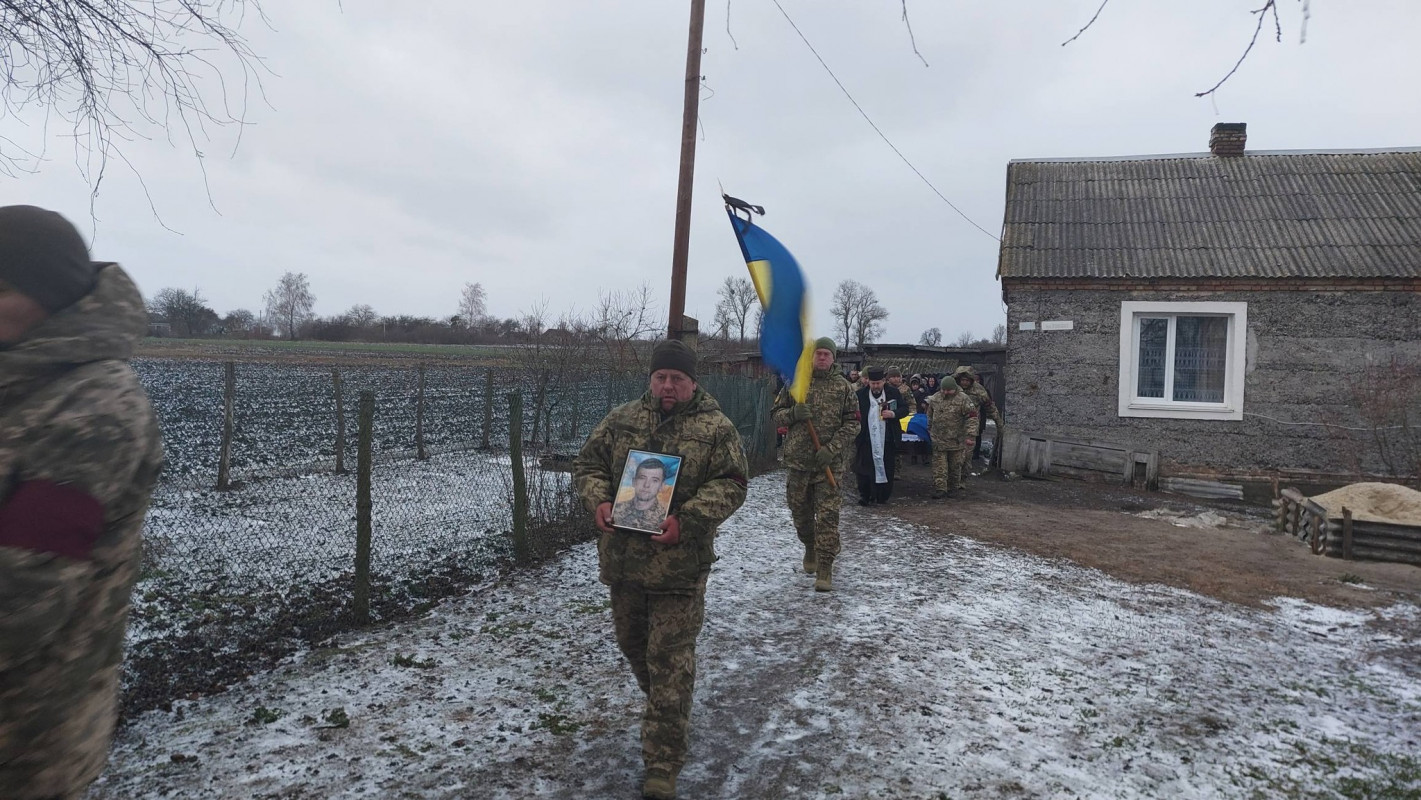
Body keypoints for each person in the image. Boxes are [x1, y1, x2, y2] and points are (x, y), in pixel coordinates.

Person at [0, 205, 165, 799]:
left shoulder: (95, 410)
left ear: (47, 297)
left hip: (22, 744)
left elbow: (19, 597)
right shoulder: (17, 376)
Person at [573, 339, 748, 800]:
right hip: (624, 565)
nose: (667, 385)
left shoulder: (716, 429)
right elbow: (587, 463)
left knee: (668, 662)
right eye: (660, 377)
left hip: (678, 570)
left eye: (677, 378)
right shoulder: (623, 418)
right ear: (651, 379)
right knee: (635, 649)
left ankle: (662, 763)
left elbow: (732, 484)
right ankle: (670, 709)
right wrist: (600, 500)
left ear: (693, 382)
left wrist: (686, 521)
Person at [771, 338, 858, 592]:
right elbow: (775, 414)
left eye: (826, 354)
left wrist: (832, 449)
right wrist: (793, 415)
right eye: (818, 353)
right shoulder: (796, 384)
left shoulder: (843, 388)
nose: (821, 358)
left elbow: (853, 423)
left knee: (828, 517)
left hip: (829, 465)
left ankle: (825, 567)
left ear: (833, 358)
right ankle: (809, 544)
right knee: (800, 513)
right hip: (798, 462)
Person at [851, 367, 907, 505]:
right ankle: (865, 495)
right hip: (866, 437)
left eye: (878, 383)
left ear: (883, 381)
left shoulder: (893, 393)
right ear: (868, 382)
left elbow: (904, 409)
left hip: (887, 438)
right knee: (864, 468)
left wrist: (893, 414)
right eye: (872, 383)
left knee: (887, 467)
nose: (875, 386)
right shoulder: (860, 395)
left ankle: (882, 496)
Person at [925, 377, 978, 499]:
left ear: (954, 389)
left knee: (955, 466)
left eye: (949, 390)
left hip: (956, 440)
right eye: (944, 390)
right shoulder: (936, 398)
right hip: (939, 439)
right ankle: (940, 488)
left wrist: (970, 435)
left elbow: (972, 417)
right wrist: (929, 428)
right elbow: (930, 414)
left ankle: (953, 488)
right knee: (939, 466)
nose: (945, 393)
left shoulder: (963, 399)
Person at [953, 365, 1005, 465]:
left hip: (971, 425)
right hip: (954, 425)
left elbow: (990, 407)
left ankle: (964, 472)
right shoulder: (954, 388)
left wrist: (999, 423)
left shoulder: (979, 391)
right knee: (954, 452)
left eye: (967, 380)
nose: (964, 382)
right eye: (962, 380)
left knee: (967, 453)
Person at [615, 457, 671, 532]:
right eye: (642, 478)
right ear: (634, 482)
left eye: (654, 480)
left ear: (661, 486)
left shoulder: (665, 520)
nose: (646, 485)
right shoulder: (615, 509)